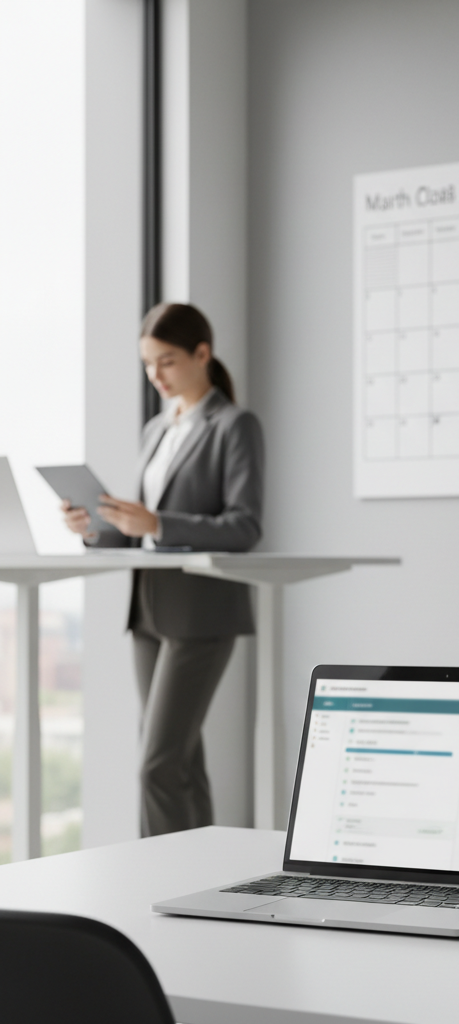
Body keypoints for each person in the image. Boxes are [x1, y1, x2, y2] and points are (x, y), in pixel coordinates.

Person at [63, 302, 264, 837]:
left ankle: (158, 873)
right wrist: (93, 527)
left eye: (167, 361)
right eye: (148, 364)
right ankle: (203, 871)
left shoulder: (235, 425)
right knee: (181, 762)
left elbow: (244, 526)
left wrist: (157, 521)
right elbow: (142, 532)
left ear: (202, 354)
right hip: (149, 610)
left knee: (157, 764)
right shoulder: (156, 430)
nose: (156, 375)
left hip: (202, 612)